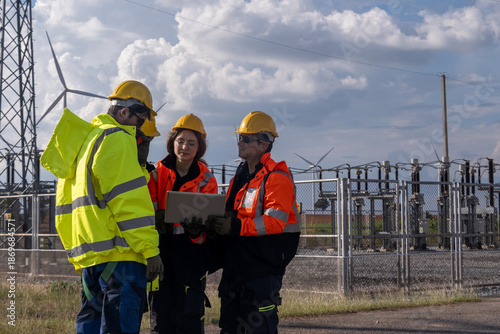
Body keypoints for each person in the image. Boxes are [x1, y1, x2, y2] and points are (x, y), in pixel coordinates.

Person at [40, 80, 164, 334]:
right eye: (140, 121)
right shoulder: (117, 139)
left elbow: (72, 207)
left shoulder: (86, 142)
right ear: (123, 112)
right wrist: (150, 249)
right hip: (121, 257)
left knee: (90, 324)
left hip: (93, 258)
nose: (140, 131)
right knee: (120, 327)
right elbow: (128, 203)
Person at [207, 111, 300, 334]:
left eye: (246, 139)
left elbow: (274, 222)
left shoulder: (277, 177)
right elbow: (232, 213)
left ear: (264, 143)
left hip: (261, 274)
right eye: (239, 137)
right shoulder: (241, 175)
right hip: (236, 270)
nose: (240, 142)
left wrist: (235, 227)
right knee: (229, 329)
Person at [147, 113, 218, 334]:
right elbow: (147, 208)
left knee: (189, 317)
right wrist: (157, 218)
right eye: (180, 141)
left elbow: (211, 225)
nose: (184, 147)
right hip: (162, 252)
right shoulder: (157, 173)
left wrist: (197, 232)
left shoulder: (207, 179)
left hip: (191, 256)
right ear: (172, 142)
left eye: (191, 143)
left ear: (199, 147)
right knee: (160, 317)